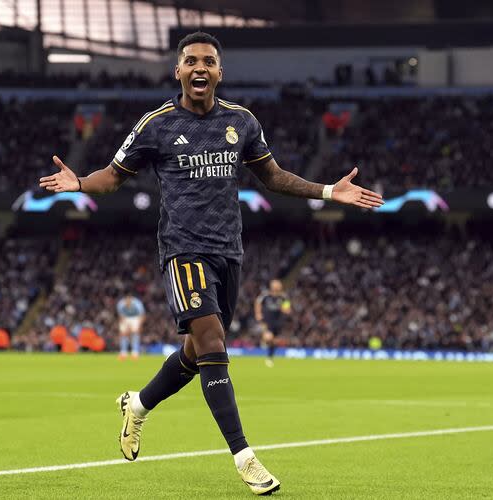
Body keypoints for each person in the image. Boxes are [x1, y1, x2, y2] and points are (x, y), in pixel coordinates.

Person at [38, 31, 383, 495]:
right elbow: (112, 177)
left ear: (220, 72)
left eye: (209, 61)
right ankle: (245, 456)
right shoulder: (156, 124)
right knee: (213, 339)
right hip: (183, 251)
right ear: (178, 71)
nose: (200, 68)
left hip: (229, 252)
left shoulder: (242, 122)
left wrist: (326, 191)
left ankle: (137, 405)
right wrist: (79, 182)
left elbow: (274, 177)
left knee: (198, 352)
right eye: (191, 61)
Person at [254, 279, 291, 367]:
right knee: (268, 338)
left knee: (275, 341)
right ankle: (264, 341)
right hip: (267, 321)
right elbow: (257, 302)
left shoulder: (284, 297)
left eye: (278, 285)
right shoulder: (265, 296)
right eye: (276, 285)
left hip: (278, 322)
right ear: (272, 286)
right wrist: (258, 313)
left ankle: (270, 357)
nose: (277, 286)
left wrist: (285, 309)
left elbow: (288, 309)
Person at [116, 295, 146, 360]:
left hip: (135, 318)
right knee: (123, 334)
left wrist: (139, 326)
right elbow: (120, 316)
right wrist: (125, 327)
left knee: (135, 334)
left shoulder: (137, 303)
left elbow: (142, 315)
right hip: (125, 318)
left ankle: (135, 353)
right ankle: (123, 352)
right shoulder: (121, 304)